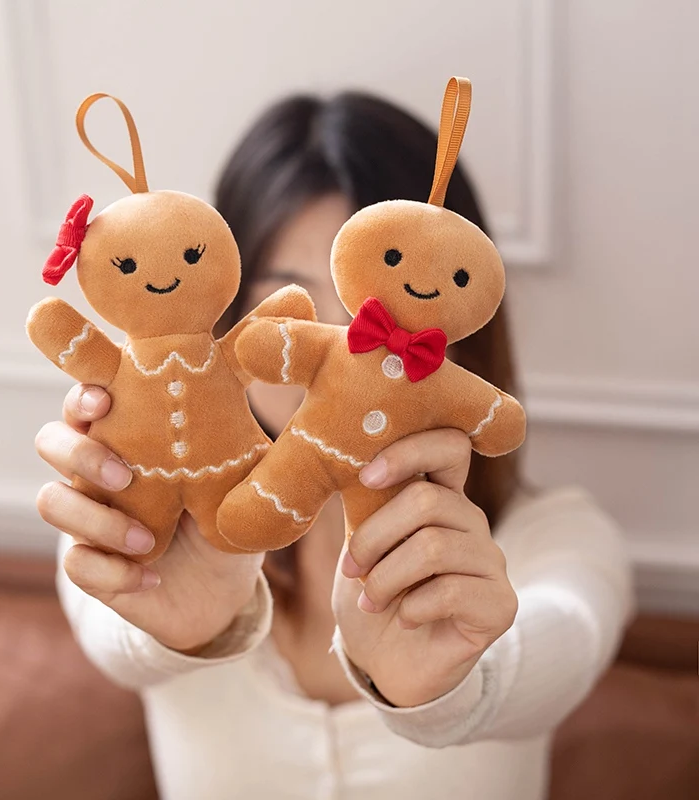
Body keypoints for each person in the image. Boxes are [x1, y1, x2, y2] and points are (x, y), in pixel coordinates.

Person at [34, 92, 634, 800]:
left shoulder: (556, 535)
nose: (341, 342)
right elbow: (114, 643)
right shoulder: (135, 521)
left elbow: (563, 645)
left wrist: (449, 686)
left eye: (376, 307)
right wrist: (179, 623)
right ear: (226, 311)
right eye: (292, 292)